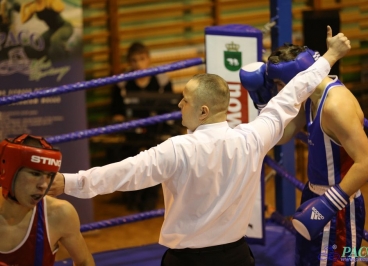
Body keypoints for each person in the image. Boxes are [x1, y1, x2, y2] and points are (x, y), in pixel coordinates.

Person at [48, 26, 350, 266]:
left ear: (203, 111)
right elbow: (292, 93)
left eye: (186, 100)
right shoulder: (254, 138)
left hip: (186, 260)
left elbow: (121, 174)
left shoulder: (175, 149)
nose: (179, 104)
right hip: (236, 257)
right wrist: (330, 55)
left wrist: (68, 181)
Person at [245, 42, 368, 265]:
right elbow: (283, 135)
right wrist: (262, 103)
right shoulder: (309, 96)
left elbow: (367, 164)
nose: (279, 90)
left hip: (338, 204)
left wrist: (327, 206)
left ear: (296, 78)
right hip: (314, 194)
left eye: (278, 84)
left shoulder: (335, 106)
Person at [0, 134, 94, 266]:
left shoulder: (59, 214)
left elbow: (84, 262)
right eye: (35, 173)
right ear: (9, 170)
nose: (43, 184)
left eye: (49, 175)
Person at [109, 41, 174, 211]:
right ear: (129, 62)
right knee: (127, 159)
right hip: (131, 135)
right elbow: (116, 113)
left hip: (157, 133)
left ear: (149, 60)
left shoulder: (162, 81)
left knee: (155, 159)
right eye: (134, 60)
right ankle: (132, 197)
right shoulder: (122, 83)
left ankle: (150, 198)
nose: (138, 64)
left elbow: (170, 110)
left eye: (142, 59)